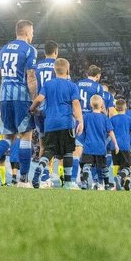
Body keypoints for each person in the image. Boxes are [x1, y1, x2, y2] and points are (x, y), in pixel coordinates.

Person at [0, 20, 37, 188]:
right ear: (27, 32)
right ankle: (23, 180)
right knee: (26, 136)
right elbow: (30, 77)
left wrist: (2, 93)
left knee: (7, 137)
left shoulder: (3, 49)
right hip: (22, 98)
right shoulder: (29, 50)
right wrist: (35, 100)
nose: (33, 35)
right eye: (32, 32)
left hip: (5, 97)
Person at [28, 58, 83, 190]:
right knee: (68, 152)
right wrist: (80, 120)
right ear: (68, 70)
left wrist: (31, 109)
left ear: (54, 70)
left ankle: (40, 168)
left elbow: (39, 99)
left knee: (49, 150)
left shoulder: (48, 84)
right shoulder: (72, 86)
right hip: (66, 123)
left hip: (50, 124)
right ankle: (68, 183)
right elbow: (76, 104)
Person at [73, 65, 105, 185]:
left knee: (77, 150)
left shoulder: (77, 84)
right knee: (92, 151)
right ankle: (97, 181)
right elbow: (101, 106)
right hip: (92, 119)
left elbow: (74, 101)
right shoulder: (97, 87)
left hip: (78, 119)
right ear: (97, 76)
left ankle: (74, 180)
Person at [33, 41, 58, 186]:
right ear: (56, 52)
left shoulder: (36, 66)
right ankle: (45, 177)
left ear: (44, 52)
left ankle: (43, 176)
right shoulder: (59, 65)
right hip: (52, 109)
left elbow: (32, 85)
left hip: (38, 108)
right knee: (52, 146)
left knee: (42, 144)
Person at [80, 95, 118, 190]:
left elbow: (80, 129)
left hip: (88, 146)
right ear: (102, 105)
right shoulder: (104, 118)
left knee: (86, 165)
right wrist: (116, 144)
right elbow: (111, 132)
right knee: (104, 167)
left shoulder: (86, 116)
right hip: (100, 147)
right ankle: (107, 184)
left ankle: (84, 182)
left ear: (90, 105)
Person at [110, 99, 131, 190]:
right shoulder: (129, 119)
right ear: (125, 107)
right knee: (128, 166)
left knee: (116, 165)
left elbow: (109, 131)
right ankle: (121, 178)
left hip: (114, 146)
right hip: (125, 146)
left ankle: (118, 185)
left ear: (115, 108)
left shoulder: (112, 119)